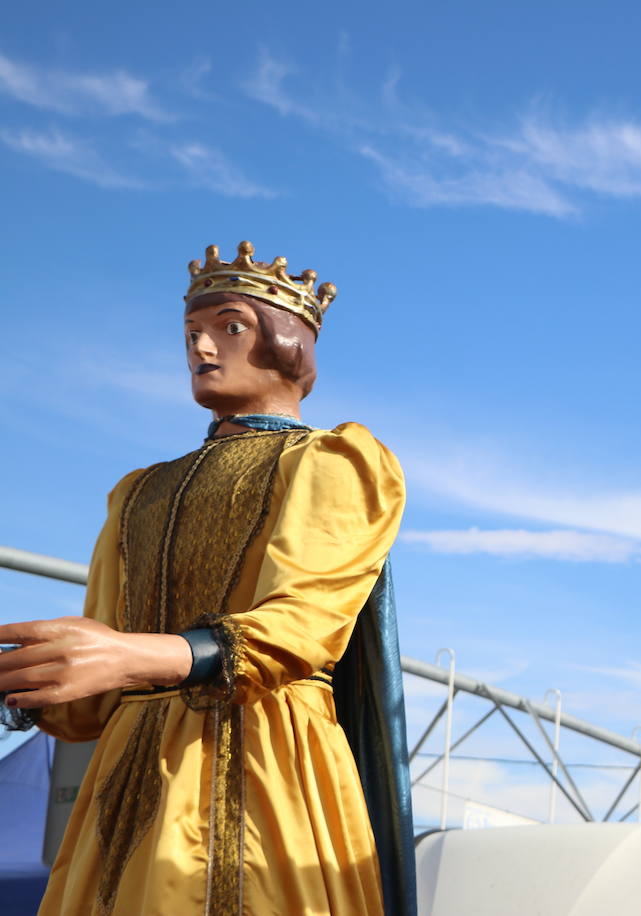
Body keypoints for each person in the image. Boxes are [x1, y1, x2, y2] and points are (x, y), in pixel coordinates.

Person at [0, 242, 415, 915]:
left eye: (229, 327)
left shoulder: (332, 460)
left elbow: (301, 628)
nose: (202, 348)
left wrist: (129, 655)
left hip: (265, 757)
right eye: (191, 333)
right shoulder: (137, 492)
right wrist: (36, 680)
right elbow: (90, 696)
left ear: (289, 344)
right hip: (128, 780)